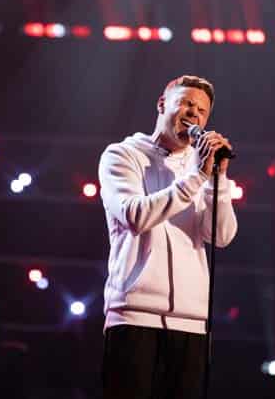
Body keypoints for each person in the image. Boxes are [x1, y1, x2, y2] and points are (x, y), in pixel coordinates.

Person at [98, 75, 238, 398]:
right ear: (162, 104)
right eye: (187, 104)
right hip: (133, 318)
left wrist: (218, 180)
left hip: (191, 323)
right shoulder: (122, 155)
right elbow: (135, 216)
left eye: (202, 111)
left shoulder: (201, 166)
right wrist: (196, 176)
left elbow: (221, 235)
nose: (194, 114)